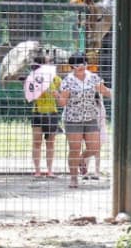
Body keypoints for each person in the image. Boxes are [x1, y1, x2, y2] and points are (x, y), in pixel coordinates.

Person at [57, 52, 111, 188]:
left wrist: (114, 93)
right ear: (72, 66)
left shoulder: (93, 78)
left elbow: (104, 91)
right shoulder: (67, 81)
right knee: (74, 148)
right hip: (73, 119)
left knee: (95, 146)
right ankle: (73, 178)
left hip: (90, 117)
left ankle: (81, 159)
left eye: (83, 63)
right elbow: (63, 103)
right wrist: (58, 96)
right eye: (77, 64)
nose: (80, 67)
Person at [27, 54, 62, 178]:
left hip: (52, 113)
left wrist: (57, 94)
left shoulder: (56, 79)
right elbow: (29, 98)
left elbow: (61, 98)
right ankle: (37, 171)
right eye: (47, 62)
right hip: (37, 112)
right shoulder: (32, 79)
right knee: (37, 142)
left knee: (51, 143)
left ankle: (50, 170)